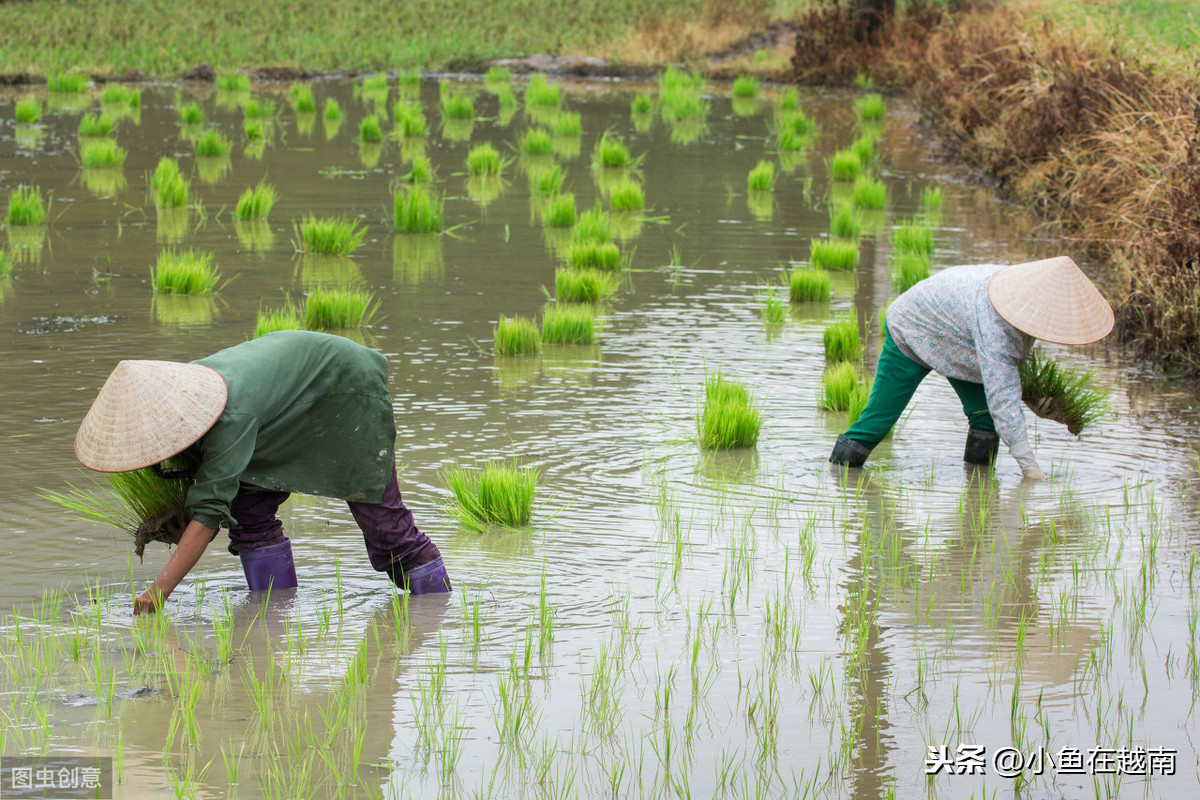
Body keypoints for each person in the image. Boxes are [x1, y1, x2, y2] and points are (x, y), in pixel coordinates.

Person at [73, 330, 451, 614]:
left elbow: (208, 514)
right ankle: (273, 619)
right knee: (249, 515)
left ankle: (439, 618)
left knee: (386, 526)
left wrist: (158, 592)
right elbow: (210, 486)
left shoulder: (223, 413)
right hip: (278, 410)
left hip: (344, 388)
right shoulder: (185, 395)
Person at [828, 256, 1113, 478]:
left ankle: (978, 493)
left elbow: (1007, 376)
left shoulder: (1025, 300)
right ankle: (837, 486)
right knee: (876, 422)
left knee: (986, 419)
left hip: (959, 338)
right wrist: (1031, 469)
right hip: (913, 327)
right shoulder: (995, 323)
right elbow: (1003, 396)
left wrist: (1037, 400)